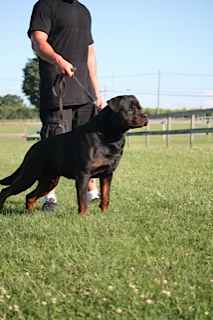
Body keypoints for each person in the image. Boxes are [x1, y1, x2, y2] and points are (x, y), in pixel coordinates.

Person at [28, 0, 103, 211]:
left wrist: (96, 92)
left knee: (89, 147)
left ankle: (92, 194)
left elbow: (90, 55)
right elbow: (37, 41)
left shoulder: (84, 11)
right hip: (57, 91)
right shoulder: (45, 6)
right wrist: (57, 60)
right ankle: (49, 198)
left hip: (85, 93)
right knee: (53, 148)